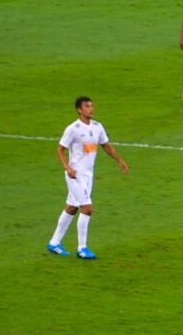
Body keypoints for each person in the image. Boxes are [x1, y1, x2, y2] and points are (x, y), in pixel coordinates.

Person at [46, 96, 129, 259]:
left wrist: (119, 160)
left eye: (92, 106)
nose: (91, 109)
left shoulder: (98, 127)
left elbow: (106, 145)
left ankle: (54, 243)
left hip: (88, 175)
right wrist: (67, 167)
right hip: (75, 175)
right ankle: (82, 248)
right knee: (87, 208)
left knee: (72, 207)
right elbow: (60, 150)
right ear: (79, 110)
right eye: (87, 106)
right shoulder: (73, 129)